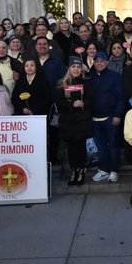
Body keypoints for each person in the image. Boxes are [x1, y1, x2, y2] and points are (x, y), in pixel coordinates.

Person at [56, 58, 93, 186]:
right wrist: (72, 104)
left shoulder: (87, 83)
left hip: (82, 121)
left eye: (78, 66)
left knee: (81, 147)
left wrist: (83, 103)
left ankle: (81, 171)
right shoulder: (62, 83)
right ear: (69, 69)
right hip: (68, 122)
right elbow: (59, 101)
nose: (76, 69)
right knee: (72, 148)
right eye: (73, 67)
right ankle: (73, 171)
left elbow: (91, 99)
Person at [89, 51, 125, 183]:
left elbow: (121, 97)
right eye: (97, 61)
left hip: (111, 117)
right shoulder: (90, 77)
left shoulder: (115, 76)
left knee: (113, 145)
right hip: (95, 119)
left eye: (102, 61)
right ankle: (103, 169)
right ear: (94, 62)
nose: (99, 63)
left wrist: (117, 114)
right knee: (100, 146)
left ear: (106, 62)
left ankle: (114, 170)